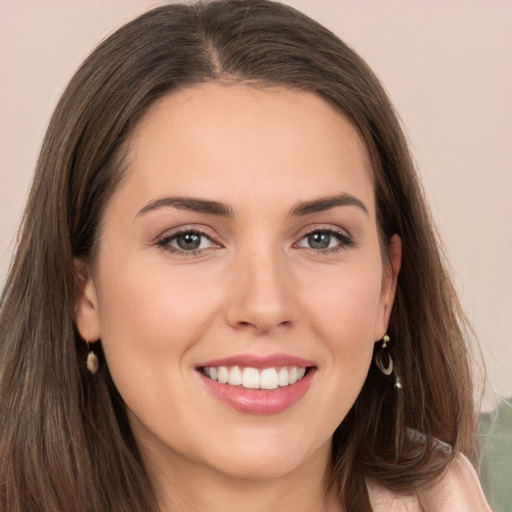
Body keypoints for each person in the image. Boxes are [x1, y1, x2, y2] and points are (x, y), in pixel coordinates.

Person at [0, 1, 492, 511]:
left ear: (386, 288)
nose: (264, 305)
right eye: (189, 239)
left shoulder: (446, 496)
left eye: (320, 238)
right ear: (83, 290)